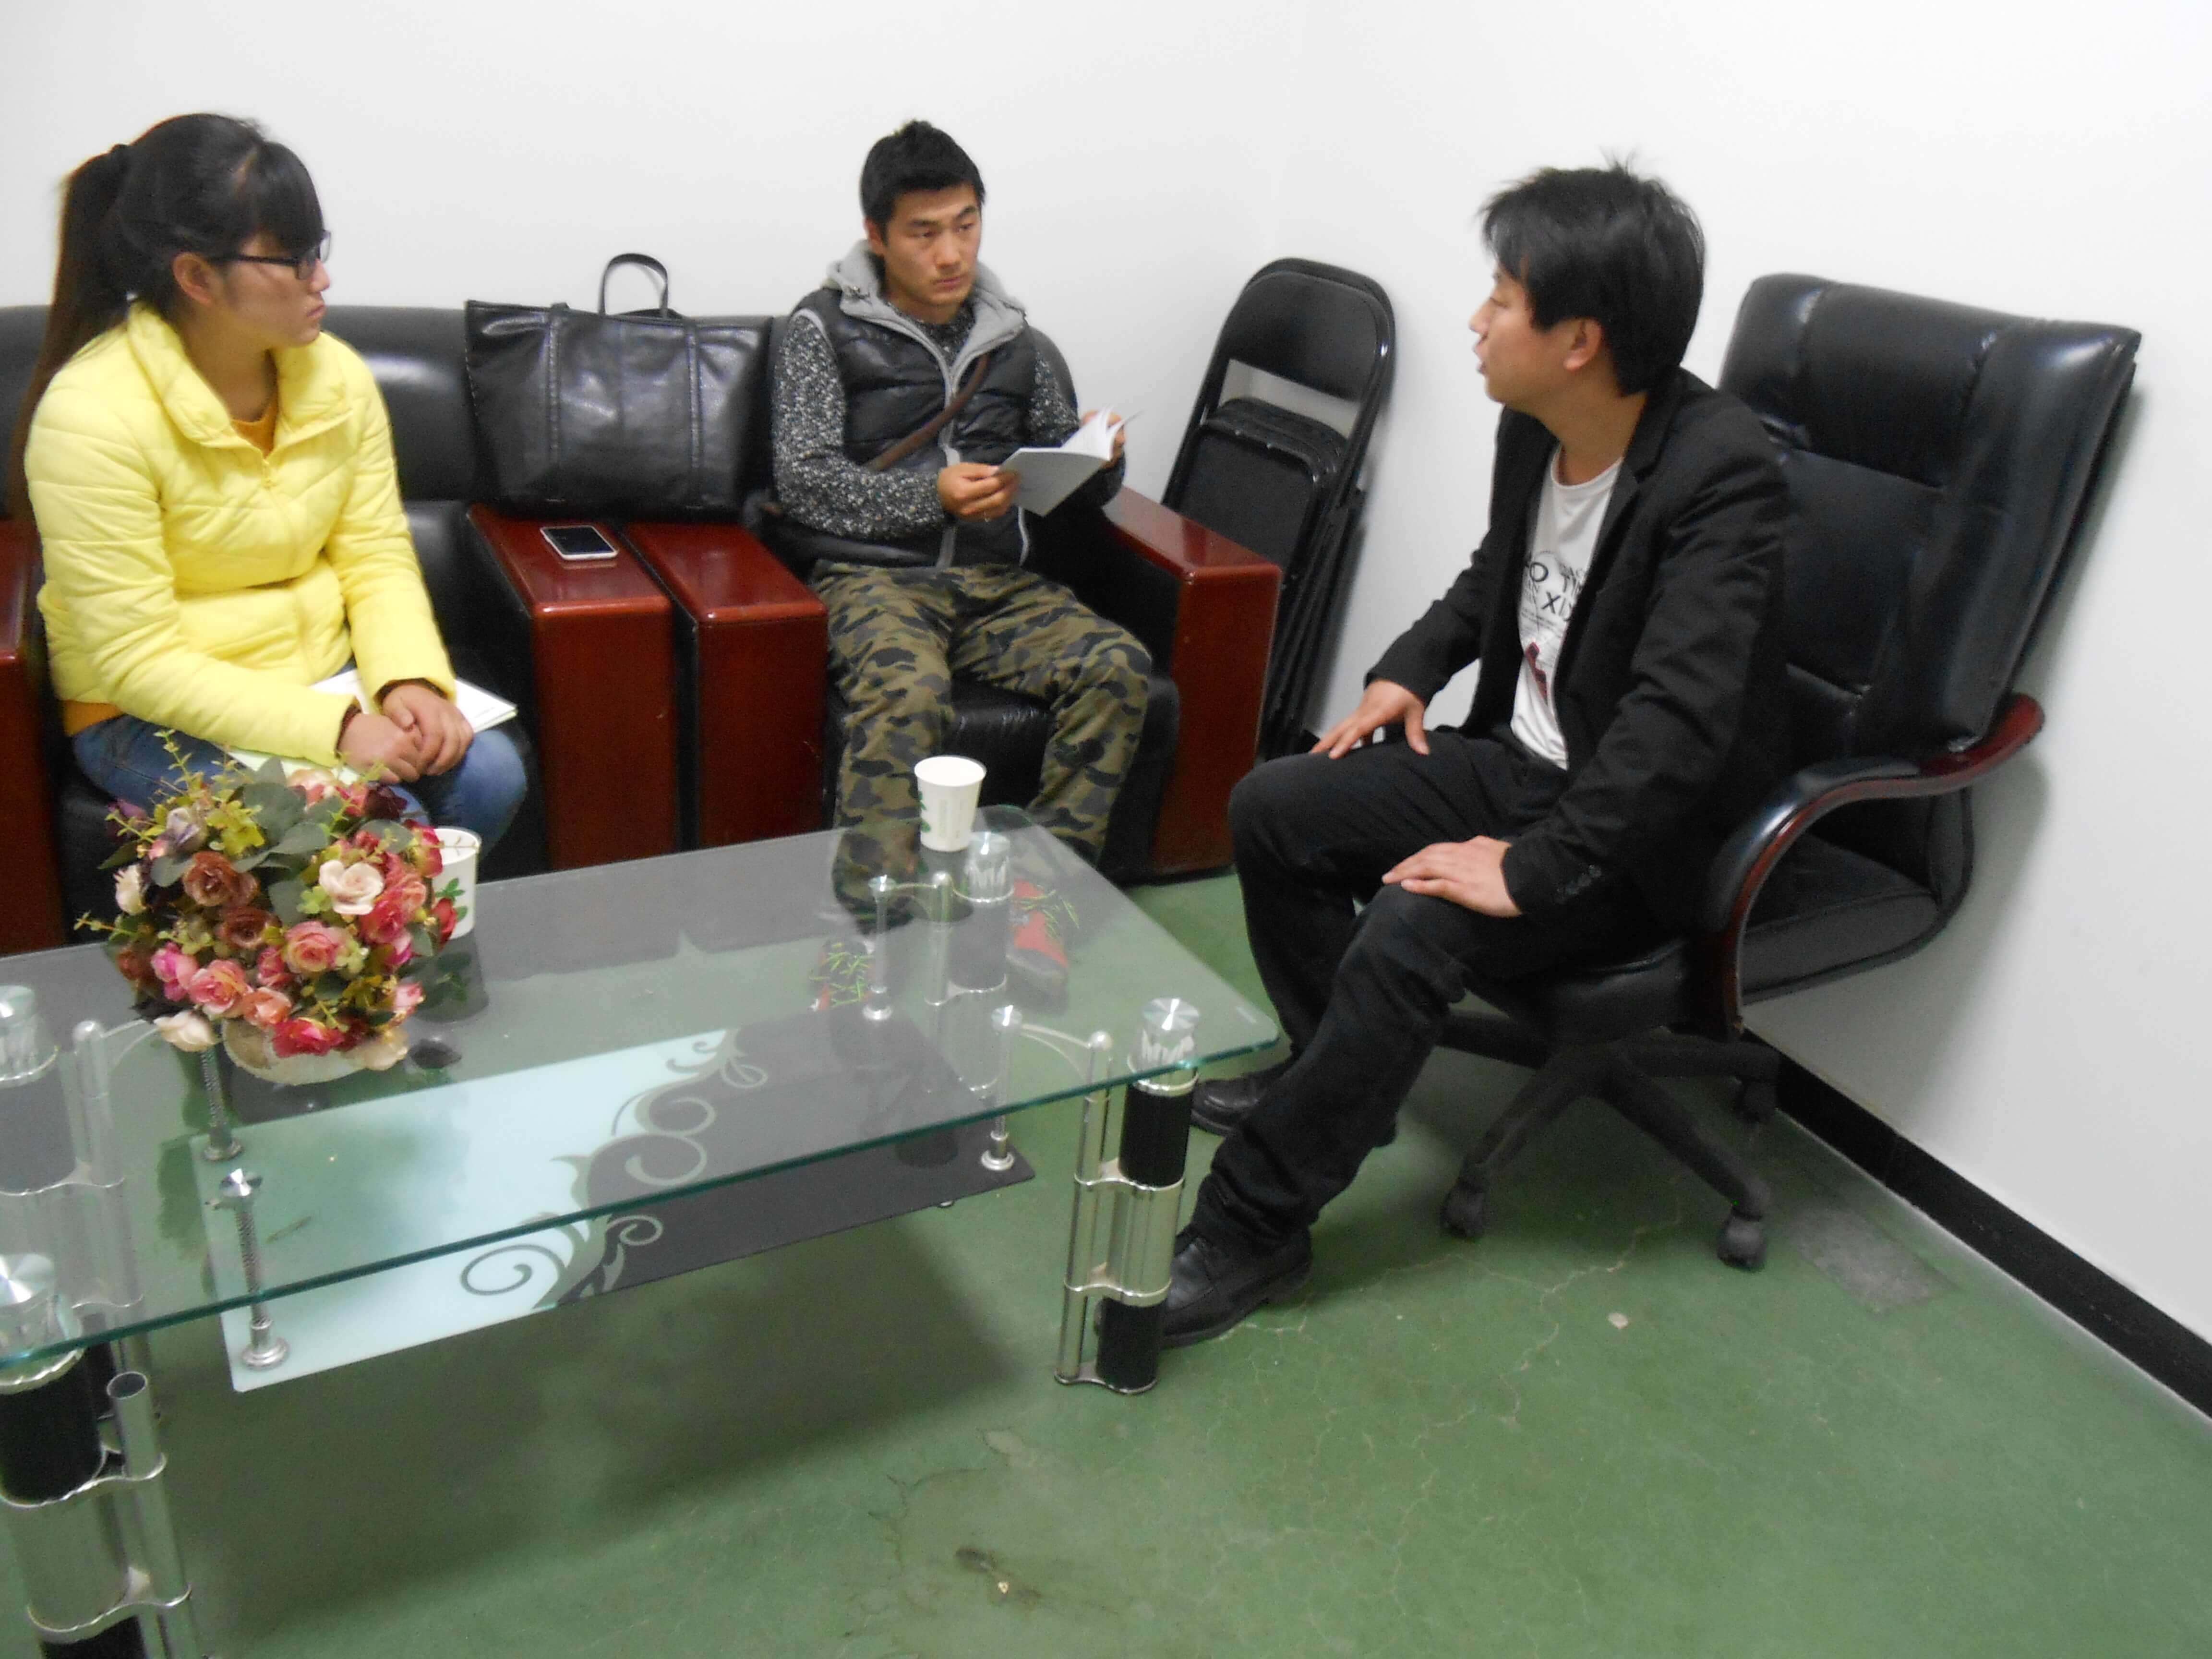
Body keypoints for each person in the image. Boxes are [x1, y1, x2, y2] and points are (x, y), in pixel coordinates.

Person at [1161, 163, 1791, 1347]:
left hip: (1631, 834)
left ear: (1579, 341)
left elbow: (1677, 726)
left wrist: (1533, 867)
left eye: (1502, 299)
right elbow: (1498, 572)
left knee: (1416, 924)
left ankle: (1254, 1228)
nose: (1475, 320)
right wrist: (1410, 666)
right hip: (1524, 763)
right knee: (1275, 808)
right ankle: (1335, 1080)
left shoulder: (1723, 477)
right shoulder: (1537, 424)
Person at [11, 114, 526, 847]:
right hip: (146, 715)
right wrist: (338, 729)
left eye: (318, 251)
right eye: (293, 260)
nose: (323, 279)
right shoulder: (91, 415)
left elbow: (375, 555)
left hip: (315, 677)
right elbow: (137, 661)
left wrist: (408, 680)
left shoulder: (336, 376)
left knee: (490, 775)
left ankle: (415, 922)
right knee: (375, 836)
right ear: (196, 277)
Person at [770, 120, 1151, 874]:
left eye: (966, 225)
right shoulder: (822, 329)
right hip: (872, 579)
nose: (951, 254)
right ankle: (873, 913)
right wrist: (933, 497)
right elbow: (805, 480)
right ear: (877, 236)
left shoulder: (1017, 342)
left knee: (1117, 665)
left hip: (996, 583)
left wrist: (1099, 459)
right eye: (924, 233)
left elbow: (1066, 484)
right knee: (908, 693)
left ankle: (1045, 889)